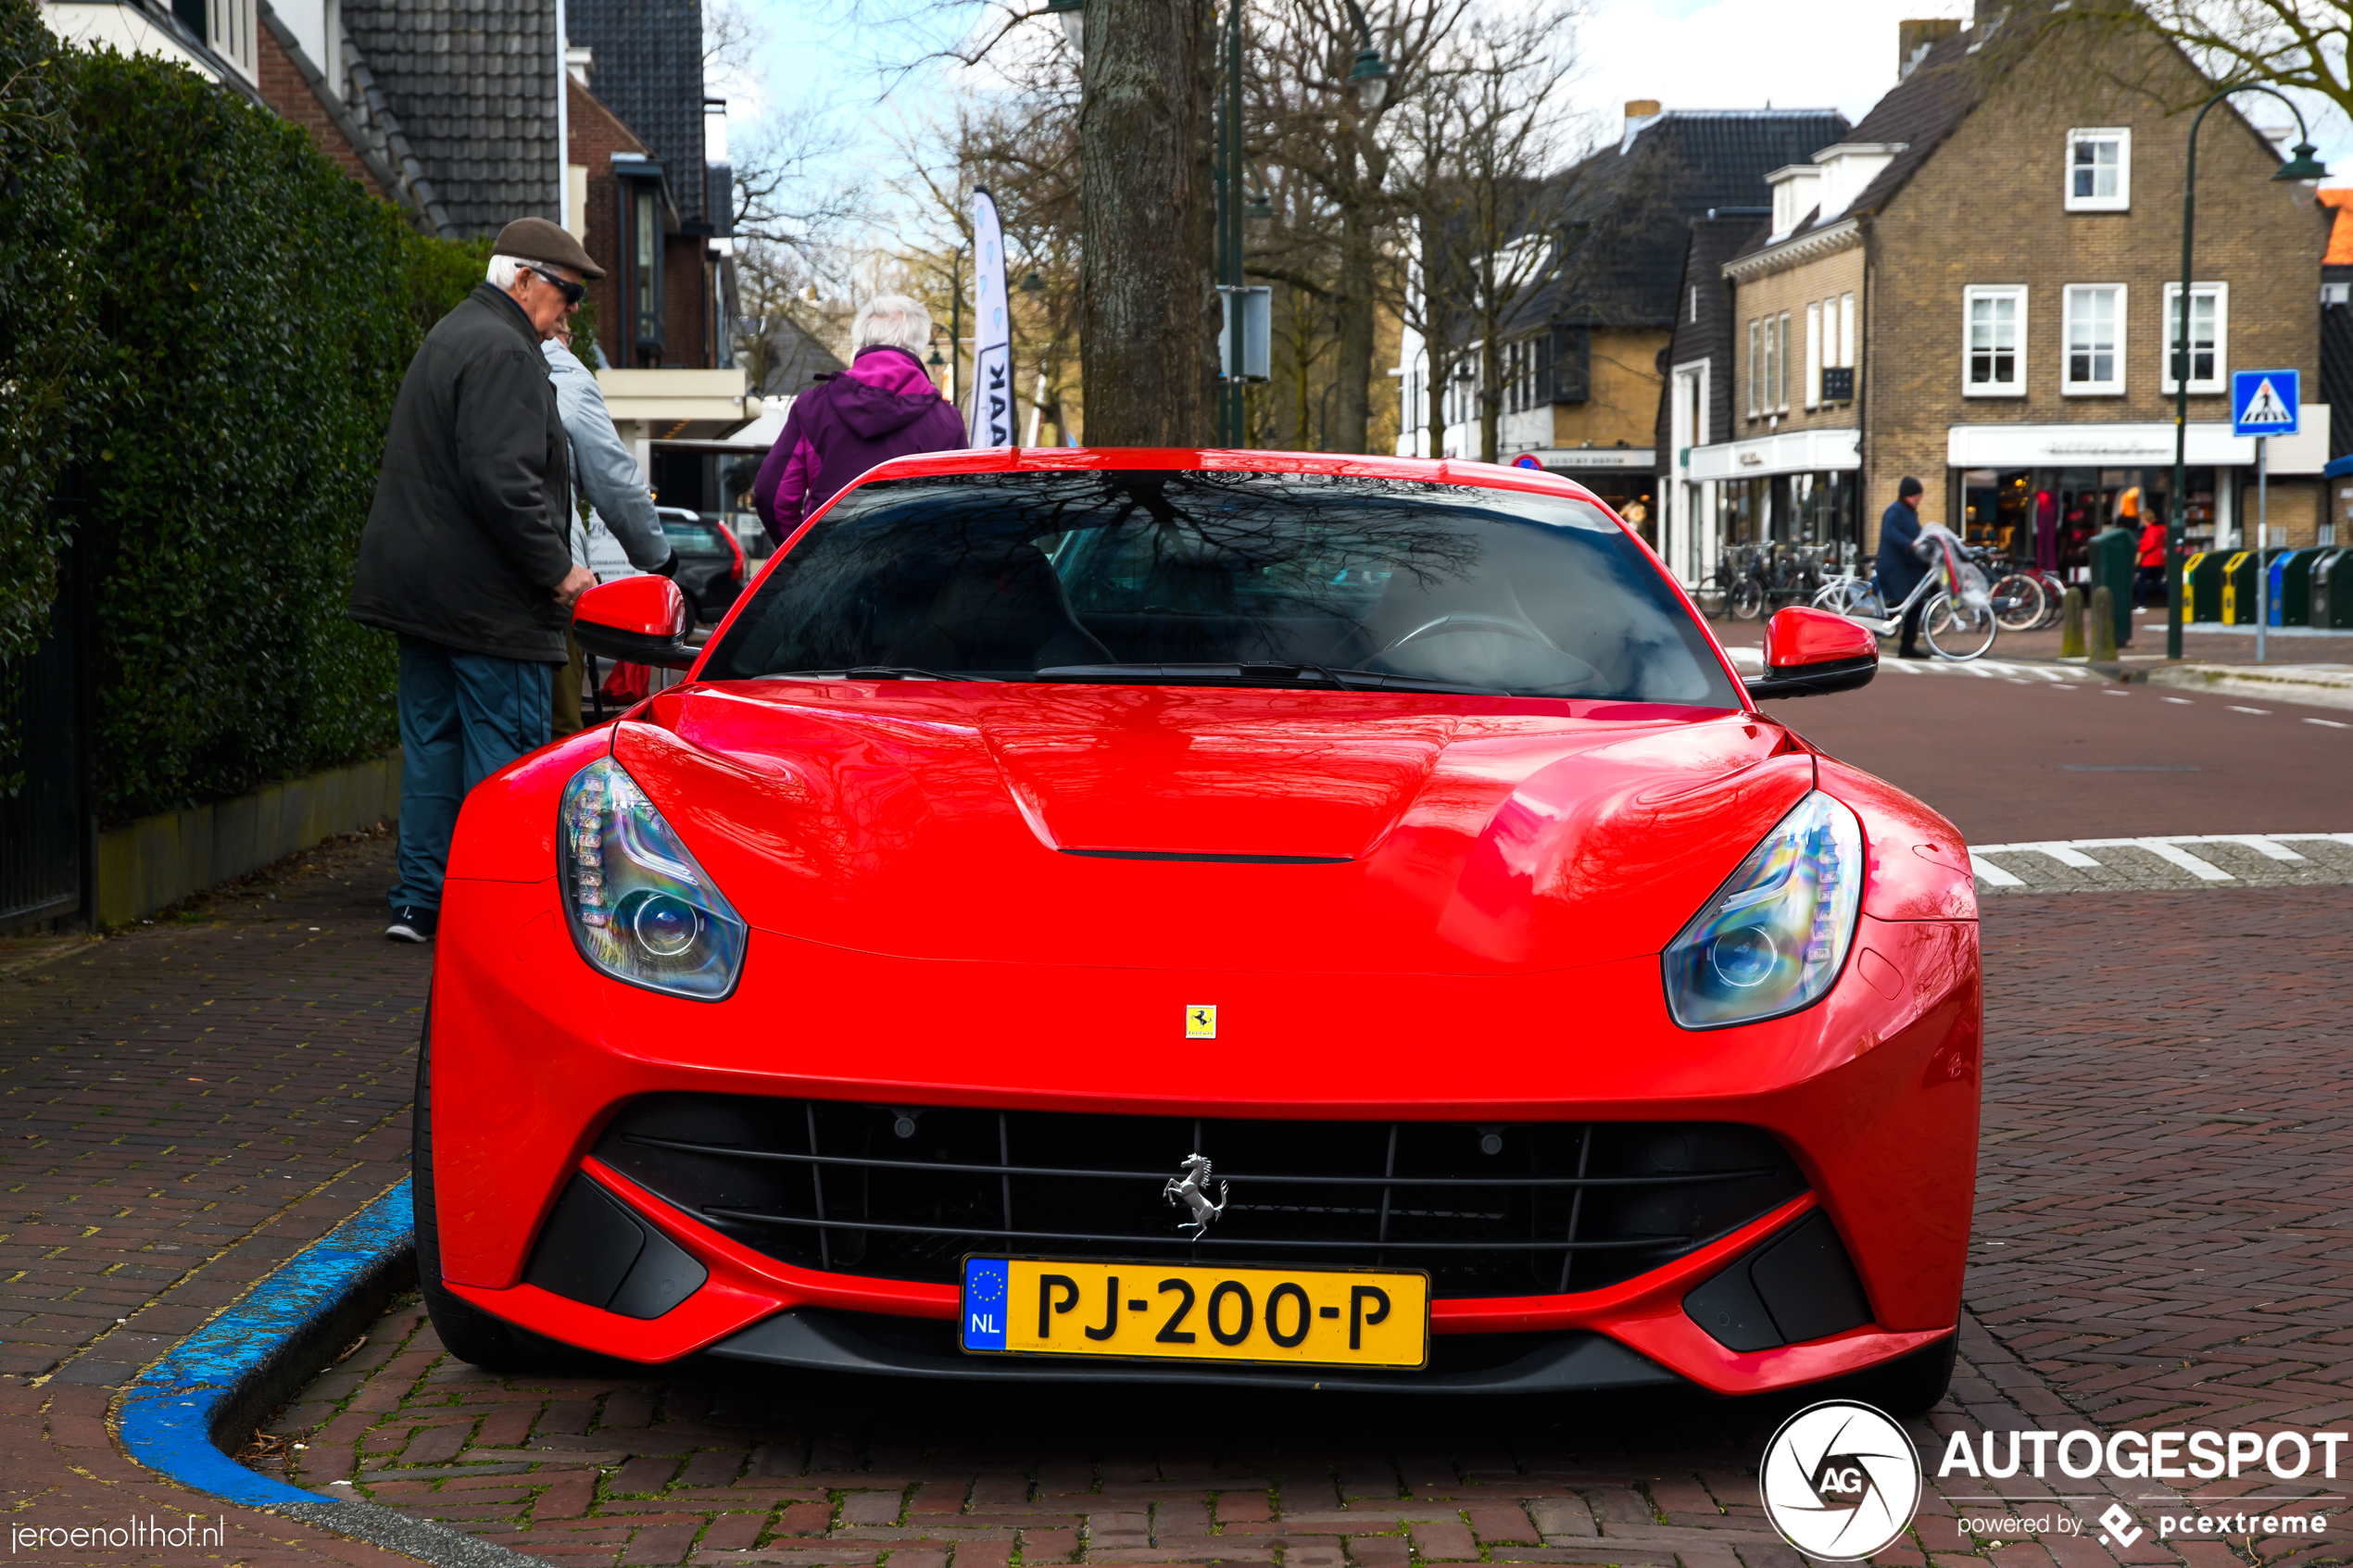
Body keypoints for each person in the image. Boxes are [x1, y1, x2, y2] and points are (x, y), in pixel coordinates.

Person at [350, 218, 601, 944]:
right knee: (509, 760)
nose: (572, 309)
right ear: (521, 278)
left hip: (424, 596)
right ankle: (498, 911)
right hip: (491, 606)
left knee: (431, 749)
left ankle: (419, 904)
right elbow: (504, 480)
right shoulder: (507, 352)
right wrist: (557, 569)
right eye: (567, 291)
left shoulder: (451, 334)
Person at [542, 314, 677, 734]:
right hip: (552, 576)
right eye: (568, 332)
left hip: (463, 586)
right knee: (559, 729)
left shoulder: (466, 357)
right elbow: (616, 482)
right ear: (557, 330)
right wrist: (658, 558)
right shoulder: (566, 375)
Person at [751, 294, 964, 549]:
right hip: (914, 572)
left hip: (828, 574)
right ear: (919, 346)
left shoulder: (813, 406)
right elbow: (959, 507)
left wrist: (801, 558)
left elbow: (772, 495)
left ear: (861, 341)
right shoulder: (947, 420)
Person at [1876, 476, 1930, 659]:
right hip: (1897, 568)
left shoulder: (1908, 513)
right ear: (1910, 496)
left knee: (1913, 606)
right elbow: (1890, 531)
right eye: (1918, 497)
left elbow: (1917, 533)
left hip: (1908, 568)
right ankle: (1880, 635)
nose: (1919, 500)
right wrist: (1911, 544)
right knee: (1903, 606)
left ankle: (1907, 646)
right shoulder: (1895, 511)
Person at [2135, 508, 2168, 611]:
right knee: (2156, 582)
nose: (2142, 522)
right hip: (2159, 559)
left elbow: (2151, 544)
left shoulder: (2151, 529)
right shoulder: (2161, 528)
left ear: (2146, 519)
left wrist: (2141, 547)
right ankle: (2174, 597)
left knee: (2140, 581)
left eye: (2142, 520)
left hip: (2149, 560)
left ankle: (2141, 604)